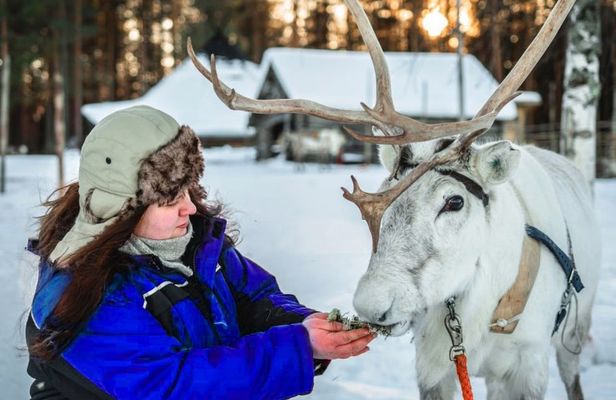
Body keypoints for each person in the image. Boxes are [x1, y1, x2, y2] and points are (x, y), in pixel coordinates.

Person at [25, 105, 375, 400]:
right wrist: (297, 347)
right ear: (122, 209)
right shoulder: (83, 291)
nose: (190, 208)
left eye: (189, 191)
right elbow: (174, 385)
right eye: (170, 200)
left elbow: (255, 297)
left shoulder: (196, 244)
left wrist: (303, 324)